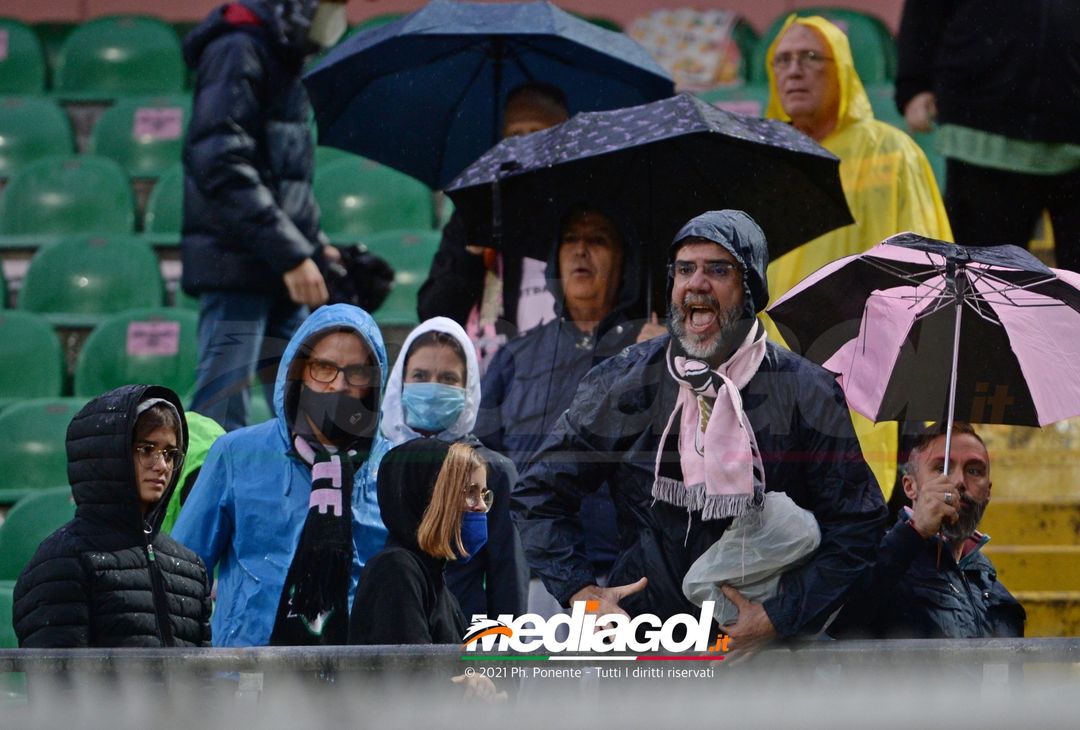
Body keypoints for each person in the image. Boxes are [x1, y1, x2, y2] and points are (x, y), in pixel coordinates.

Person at [513, 210, 886, 654]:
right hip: (648, 655)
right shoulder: (626, 381)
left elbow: (858, 524)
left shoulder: (807, 391)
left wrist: (778, 617)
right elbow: (539, 493)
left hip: (764, 666)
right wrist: (581, 592)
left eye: (718, 270)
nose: (696, 283)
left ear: (750, 290)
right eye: (685, 269)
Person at [763, 14, 954, 506]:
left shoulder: (891, 153)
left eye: (811, 58)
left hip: (870, 375)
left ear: (843, 69)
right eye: (782, 60)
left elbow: (927, 270)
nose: (794, 71)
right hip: (774, 377)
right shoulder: (767, 159)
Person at [173, 303, 389, 647]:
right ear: (299, 371)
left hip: (358, 683)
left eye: (357, 372)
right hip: (245, 679)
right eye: (324, 367)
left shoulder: (390, 467)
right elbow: (181, 576)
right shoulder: (236, 453)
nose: (338, 385)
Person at [477, 204, 656, 613]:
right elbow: (482, 461)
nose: (581, 251)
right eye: (571, 240)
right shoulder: (516, 356)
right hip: (528, 576)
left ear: (624, 260)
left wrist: (667, 363)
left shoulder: (656, 352)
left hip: (626, 580)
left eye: (598, 240)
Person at [181, 0, 350, 431]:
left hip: (277, 263)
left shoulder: (283, 55)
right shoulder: (238, 49)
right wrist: (292, 253)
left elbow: (283, 172)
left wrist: (312, 244)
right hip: (237, 261)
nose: (334, 15)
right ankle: (215, 497)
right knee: (222, 410)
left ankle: (314, 499)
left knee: (306, 408)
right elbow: (220, 161)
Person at [13, 385, 211, 648]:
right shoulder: (62, 562)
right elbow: (58, 684)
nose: (161, 465)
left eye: (169, 454)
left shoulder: (191, 570)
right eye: (146, 449)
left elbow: (205, 683)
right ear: (110, 455)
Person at [896, 1, 1080, 272]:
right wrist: (914, 84)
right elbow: (924, 11)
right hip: (981, 134)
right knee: (985, 291)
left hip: (1072, 128)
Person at [375, 316, 528, 618]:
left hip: (463, 645)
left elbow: (508, 583)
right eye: (420, 375)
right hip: (382, 635)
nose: (432, 389)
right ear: (400, 381)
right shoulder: (376, 462)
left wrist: (504, 660)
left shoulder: (493, 472)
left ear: (468, 388)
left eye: (447, 379)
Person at [417, 83, 570, 371]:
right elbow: (434, 315)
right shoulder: (474, 212)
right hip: (492, 388)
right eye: (515, 135)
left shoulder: (586, 214)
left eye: (537, 132)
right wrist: (473, 251)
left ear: (563, 133)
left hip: (565, 379)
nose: (525, 144)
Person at [832, 422, 1025, 639]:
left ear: (988, 492)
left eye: (974, 470)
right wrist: (916, 532)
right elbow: (835, 624)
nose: (959, 482)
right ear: (909, 486)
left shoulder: (994, 591)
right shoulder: (871, 559)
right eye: (941, 468)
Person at [350, 439, 489, 644]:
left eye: (484, 495)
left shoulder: (436, 581)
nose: (482, 506)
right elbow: (409, 672)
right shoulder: (396, 570)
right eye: (469, 493)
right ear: (427, 496)